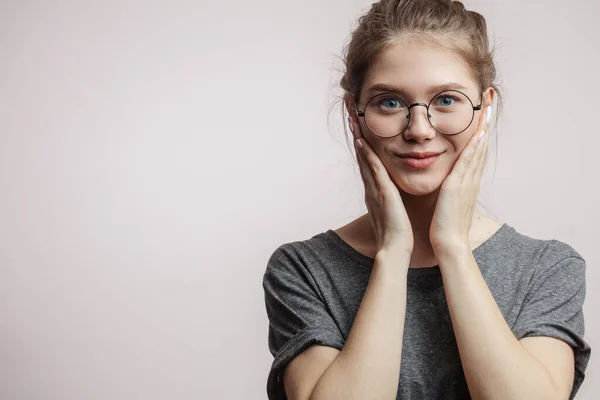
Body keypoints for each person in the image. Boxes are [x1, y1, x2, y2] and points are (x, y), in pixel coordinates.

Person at [262, 0, 591, 399]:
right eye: (390, 102)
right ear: (355, 112)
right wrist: (393, 252)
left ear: (486, 107)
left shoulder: (548, 269)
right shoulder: (303, 270)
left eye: (447, 100)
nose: (419, 129)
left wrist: (452, 248)